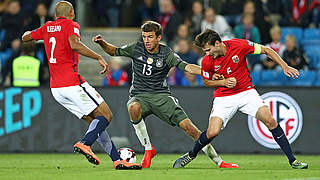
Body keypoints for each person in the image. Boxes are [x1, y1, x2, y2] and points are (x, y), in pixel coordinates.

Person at [93, 21, 239, 169]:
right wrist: (102, 43)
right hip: (139, 95)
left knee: (191, 129)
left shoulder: (166, 54)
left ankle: (219, 162)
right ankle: (148, 149)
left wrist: (210, 72)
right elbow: (114, 51)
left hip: (161, 96)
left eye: (150, 37)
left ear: (158, 37)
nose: (146, 41)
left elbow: (187, 67)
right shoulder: (136, 48)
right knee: (133, 108)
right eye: (144, 37)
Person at [21, 1, 141, 170]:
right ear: (71, 13)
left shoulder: (47, 27)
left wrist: (29, 32)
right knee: (106, 116)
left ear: (56, 15)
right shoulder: (71, 25)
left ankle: (117, 160)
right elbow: (74, 44)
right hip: (71, 83)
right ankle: (85, 143)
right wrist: (98, 57)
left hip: (56, 89)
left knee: (95, 123)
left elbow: (26, 37)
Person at [173, 29, 308, 169]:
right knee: (212, 132)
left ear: (218, 43)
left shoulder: (239, 45)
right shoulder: (207, 60)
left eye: (208, 50)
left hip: (246, 92)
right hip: (224, 97)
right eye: (205, 51)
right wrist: (222, 82)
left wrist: (284, 66)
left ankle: (293, 160)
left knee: (270, 120)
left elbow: (267, 50)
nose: (206, 54)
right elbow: (207, 82)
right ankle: (190, 155)